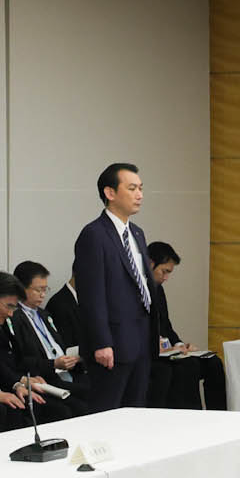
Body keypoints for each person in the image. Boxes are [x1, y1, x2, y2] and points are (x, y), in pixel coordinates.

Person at [72, 160, 160, 412]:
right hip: (112, 342)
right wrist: (101, 342)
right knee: (107, 411)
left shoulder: (138, 233)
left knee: (135, 410)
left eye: (141, 188)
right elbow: (91, 294)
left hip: (141, 337)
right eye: (132, 188)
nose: (140, 195)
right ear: (110, 193)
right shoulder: (94, 234)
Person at [146, 242, 226, 411]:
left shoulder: (158, 289)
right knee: (188, 367)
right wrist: (157, 345)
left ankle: (218, 415)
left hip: (166, 350)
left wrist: (180, 345)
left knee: (213, 363)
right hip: (149, 352)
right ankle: (191, 417)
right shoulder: (137, 289)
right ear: (150, 263)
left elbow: (166, 325)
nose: (166, 278)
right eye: (164, 272)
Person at [0, 270, 47, 435]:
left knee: (24, 402)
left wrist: (16, 385)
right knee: (5, 408)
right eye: (9, 306)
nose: (11, 314)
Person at [10, 260, 83, 405]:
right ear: (21, 288)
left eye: (45, 289)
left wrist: (72, 358)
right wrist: (53, 364)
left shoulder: (44, 314)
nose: (43, 295)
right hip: (44, 378)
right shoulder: (14, 317)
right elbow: (20, 360)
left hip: (67, 373)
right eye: (38, 290)